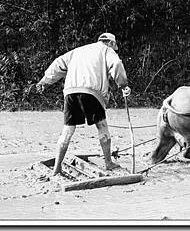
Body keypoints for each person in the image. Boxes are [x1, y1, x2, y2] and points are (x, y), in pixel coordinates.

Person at [36, 32, 131, 176]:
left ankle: (57, 168)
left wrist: (45, 81)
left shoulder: (78, 51)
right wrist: (123, 84)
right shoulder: (106, 50)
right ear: (110, 43)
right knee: (102, 126)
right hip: (92, 92)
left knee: (67, 130)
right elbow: (116, 64)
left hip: (70, 92)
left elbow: (58, 64)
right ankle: (108, 163)